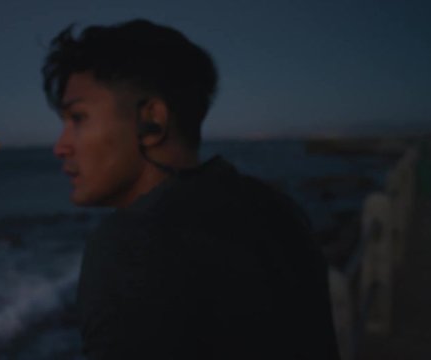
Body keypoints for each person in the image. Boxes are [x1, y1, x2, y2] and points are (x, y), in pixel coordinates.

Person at [42, 19, 339, 359]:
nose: (61, 146)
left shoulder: (132, 243)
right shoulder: (278, 208)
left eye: (78, 118)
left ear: (151, 119)